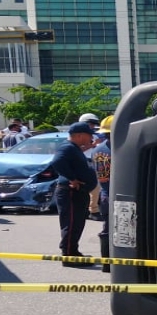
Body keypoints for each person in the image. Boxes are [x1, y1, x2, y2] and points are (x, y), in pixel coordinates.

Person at [53, 121, 99, 266]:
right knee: (71, 223)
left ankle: (73, 251)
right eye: (88, 135)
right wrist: (72, 178)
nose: (91, 138)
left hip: (78, 192)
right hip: (70, 192)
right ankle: (68, 255)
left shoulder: (74, 147)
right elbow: (57, 162)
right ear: (79, 135)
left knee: (77, 223)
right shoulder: (67, 147)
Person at [91, 116, 114, 272]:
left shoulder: (97, 150)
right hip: (122, 195)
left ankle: (107, 264)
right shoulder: (123, 148)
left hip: (105, 194)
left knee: (107, 228)